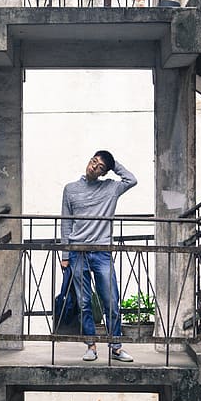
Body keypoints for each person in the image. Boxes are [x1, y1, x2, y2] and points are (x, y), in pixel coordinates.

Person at [60, 150, 137, 362]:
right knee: (84, 302)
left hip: (102, 252)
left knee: (110, 300)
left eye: (100, 166)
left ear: (105, 172)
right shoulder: (70, 189)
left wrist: (112, 164)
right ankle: (91, 346)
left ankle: (116, 347)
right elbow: (66, 222)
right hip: (77, 253)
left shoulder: (111, 188)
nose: (94, 166)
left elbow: (132, 179)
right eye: (94, 161)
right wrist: (65, 254)